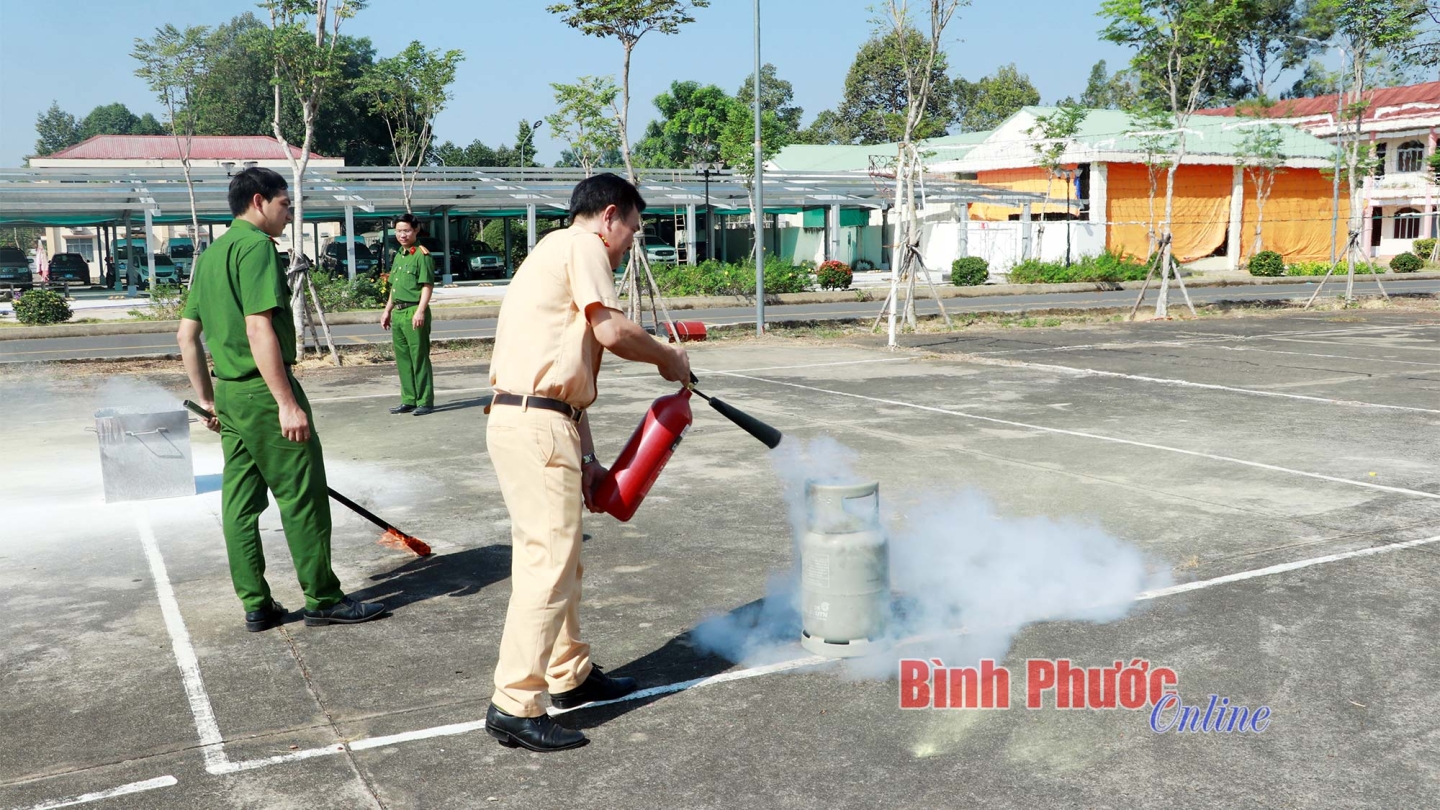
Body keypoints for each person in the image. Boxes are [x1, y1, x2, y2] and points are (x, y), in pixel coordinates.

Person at [483, 173, 690, 752]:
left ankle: (568, 676)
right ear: (608, 215)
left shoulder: (552, 250)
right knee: (548, 563)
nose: (631, 240)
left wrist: (591, 457)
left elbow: (570, 379)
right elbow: (614, 331)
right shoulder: (585, 246)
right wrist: (668, 358)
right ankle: (514, 704)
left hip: (542, 420)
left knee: (562, 559)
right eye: (632, 226)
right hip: (535, 423)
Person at [176, 167, 386, 632]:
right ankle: (323, 598)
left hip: (230, 394)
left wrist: (208, 401)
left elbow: (187, 336)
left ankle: (256, 604)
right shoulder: (255, 249)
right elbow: (258, 327)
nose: (289, 213)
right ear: (259, 201)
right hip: (264, 390)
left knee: (240, 503)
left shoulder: (210, 257)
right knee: (302, 497)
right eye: (285, 204)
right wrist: (286, 402)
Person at [381, 214, 436, 416]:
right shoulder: (399, 255)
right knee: (403, 358)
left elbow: (427, 286)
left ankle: (425, 400)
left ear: (416, 231)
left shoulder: (422, 255)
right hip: (398, 312)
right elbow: (394, 287)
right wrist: (387, 310)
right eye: (398, 231)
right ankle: (409, 399)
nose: (402, 235)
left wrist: (420, 311)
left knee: (419, 357)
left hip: (414, 310)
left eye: (406, 231)